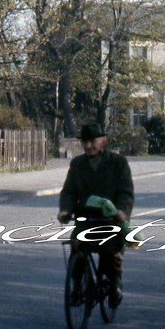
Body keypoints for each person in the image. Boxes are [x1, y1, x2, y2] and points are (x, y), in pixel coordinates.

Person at [57, 122, 135, 307]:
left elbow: (126, 192)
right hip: (86, 219)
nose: (88, 146)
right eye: (85, 142)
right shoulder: (77, 164)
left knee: (112, 254)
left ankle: (114, 284)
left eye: (92, 141)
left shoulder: (118, 163)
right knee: (76, 248)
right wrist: (65, 209)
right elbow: (68, 191)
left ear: (102, 141)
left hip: (111, 219)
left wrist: (122, 211)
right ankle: (77, 286)